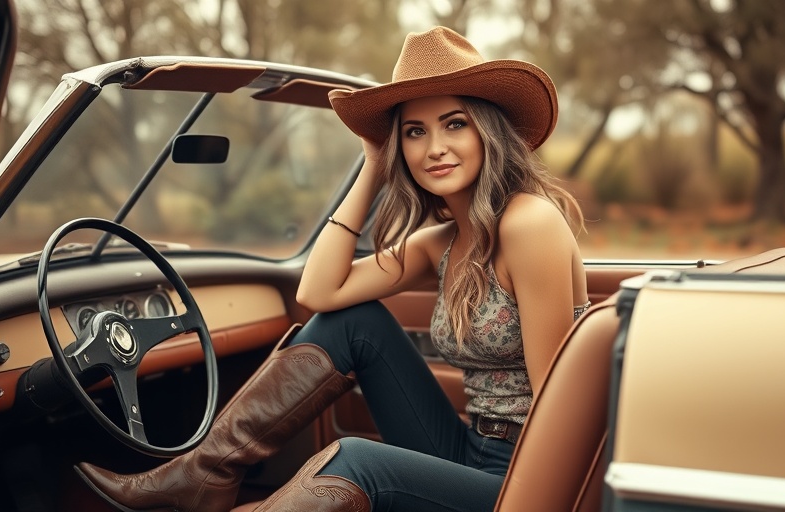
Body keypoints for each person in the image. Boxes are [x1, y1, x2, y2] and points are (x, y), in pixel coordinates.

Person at [75, 26, 590, 512]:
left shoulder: (530, 223)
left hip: (530, 478)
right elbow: (319, 293)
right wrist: (371, 164)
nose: (433, 148)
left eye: (454, 123)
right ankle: (204, 473)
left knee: (355, 460)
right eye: (413, 132)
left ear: (488, 131)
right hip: (468, 446)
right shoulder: (445, 242)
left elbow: (558, 409)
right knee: (354, 323)